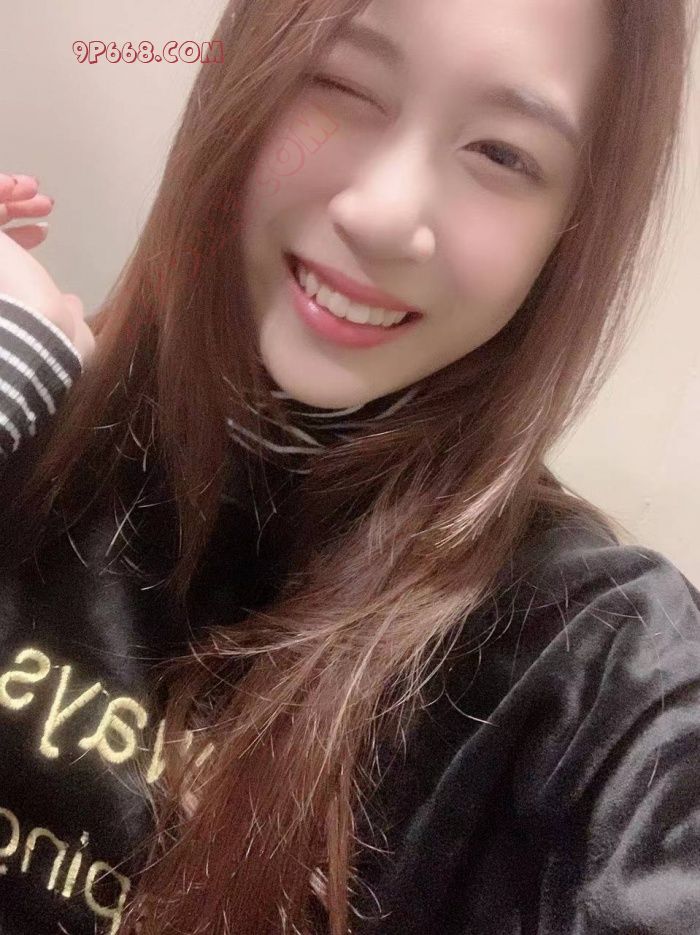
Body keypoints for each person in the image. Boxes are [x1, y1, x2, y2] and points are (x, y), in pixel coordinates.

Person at [0, 0, 699, 932]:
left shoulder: (596, 662)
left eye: (502, 153)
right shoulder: (30, 413)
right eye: (341, 84)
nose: (382, 215)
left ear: (572, 228)